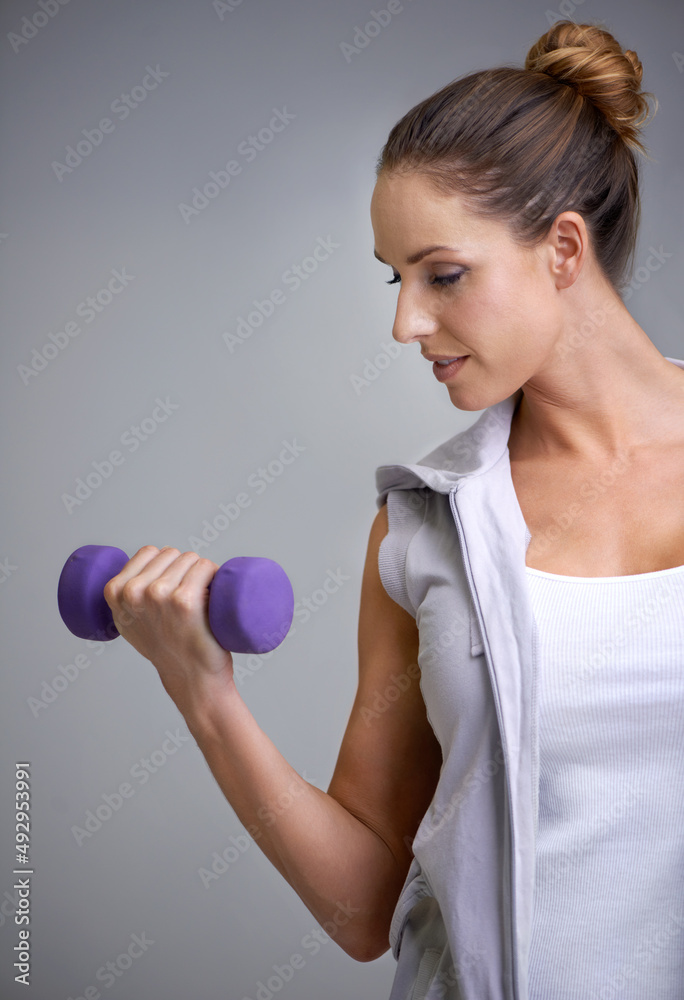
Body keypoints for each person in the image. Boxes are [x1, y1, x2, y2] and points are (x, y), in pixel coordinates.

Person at [102, 18, 684, 1000]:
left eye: (443, 274)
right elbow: (364, 905)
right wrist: (203, 693)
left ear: (563, 249)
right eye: (396, 277)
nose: (407, 322)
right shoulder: (425, 524)